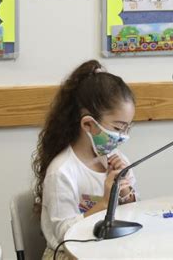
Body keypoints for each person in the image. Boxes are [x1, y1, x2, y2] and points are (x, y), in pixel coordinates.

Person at [32, 60, 138, 259]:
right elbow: (64, 234)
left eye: (127, 128)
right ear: (89, 125)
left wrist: (125, 194)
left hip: (107, 250)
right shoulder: (62, 171)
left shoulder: (118, 161)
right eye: (117, 128)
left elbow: (132, 215)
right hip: (67, 254)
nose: (123, 136)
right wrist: (105, 203)